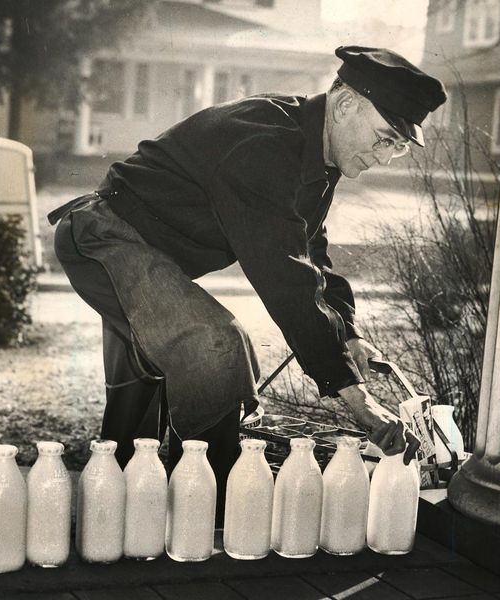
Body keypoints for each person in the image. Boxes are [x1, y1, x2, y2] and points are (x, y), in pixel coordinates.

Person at [49, 46, 447, 520]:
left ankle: (121, 505)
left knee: (147, 390)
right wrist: (354, 396)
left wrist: (350, 332)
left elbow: (310, 247)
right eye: (385, 139)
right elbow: (284, 276)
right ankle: (209, 516)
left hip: (150, 254)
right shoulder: (265, 144)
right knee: (214, 345)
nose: (386, 157)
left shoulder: (315, 152)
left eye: (398, 146)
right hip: (104, 237)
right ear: (345, 106)